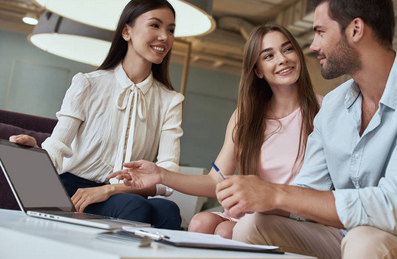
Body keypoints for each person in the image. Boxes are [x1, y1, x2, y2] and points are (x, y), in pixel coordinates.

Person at [214, 0, 397, 259]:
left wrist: (276, 193)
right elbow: (307, 191)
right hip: (345, 237)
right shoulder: (335, 105)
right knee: (252, 226)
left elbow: (393, 208)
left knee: (364, 242)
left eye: (320, 32)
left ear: (355, 30)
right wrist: (254, 194)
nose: (312, 46)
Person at [108, 23, 322, 238]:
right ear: (257, 70)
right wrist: (160, 174)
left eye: (287, 49)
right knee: (201, 222)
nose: (282, 59)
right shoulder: (246, 116)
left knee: (226, 231)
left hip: (290, 214)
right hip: (250, 213)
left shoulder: (323, 110)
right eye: (268, 56)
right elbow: (216, 181)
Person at [10, 0, 183, 229]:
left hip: (126, 193)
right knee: (134, 207)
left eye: (171, 29)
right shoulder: (88, 84)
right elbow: (57, 146)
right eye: (155, 25)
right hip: (77, 189)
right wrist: (35, 157)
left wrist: (111, 189)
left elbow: (168, 176)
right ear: (126, 32)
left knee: (168, 209)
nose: (165, 36)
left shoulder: (170, 100)